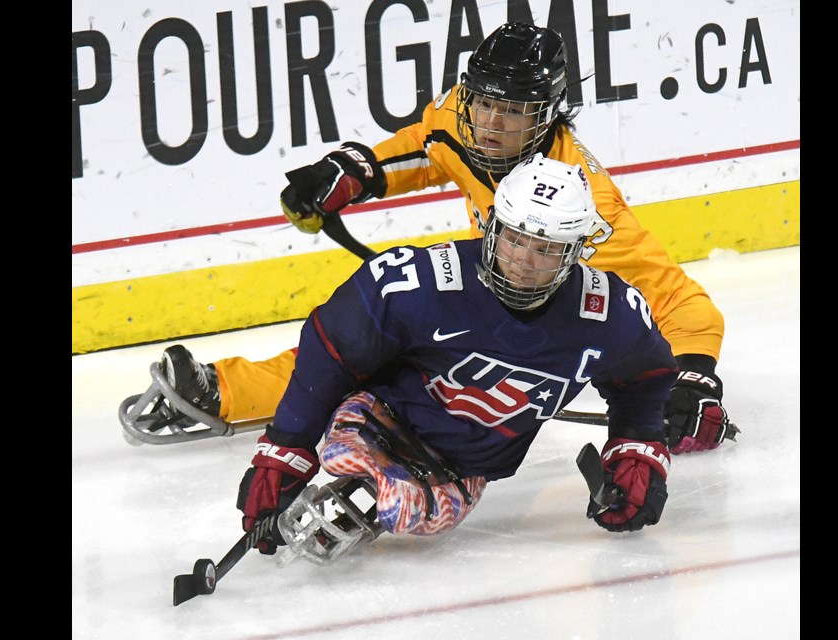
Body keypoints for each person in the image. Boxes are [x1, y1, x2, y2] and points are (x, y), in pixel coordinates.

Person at [137, 21, 733, 455]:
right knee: (375, 332)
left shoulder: (579, 210)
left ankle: (232, 393)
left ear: (548, 115)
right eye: (484, 103)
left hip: (541, 321)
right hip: (491, 278)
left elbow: (682, 305)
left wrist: (692, 377)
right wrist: (354, 173)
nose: (491, 123)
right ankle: (231, 386)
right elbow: (430, 145)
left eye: (514, 111)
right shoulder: (463, 117)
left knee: (386, 354)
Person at [237, 155, 677, 555]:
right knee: (354, 464)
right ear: (492, 226)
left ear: (575, 252)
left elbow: (645, 378)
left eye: (546, 249)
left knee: (410, 511)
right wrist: (287, 447)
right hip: (380, 415)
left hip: (461, 471)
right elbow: (330, 346)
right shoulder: (422, 283)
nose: (524, 261)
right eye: (515, 239)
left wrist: (636, 447)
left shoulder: (609, 314)